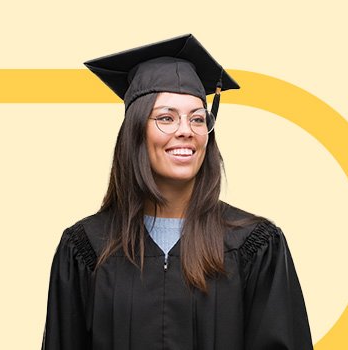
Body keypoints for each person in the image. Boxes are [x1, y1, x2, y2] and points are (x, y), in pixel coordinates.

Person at [41, 34, 313, 350]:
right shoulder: (87, 248)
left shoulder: (254, 246)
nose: (186, 130)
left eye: (198, 119)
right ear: (136, 132)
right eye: (166, 118)